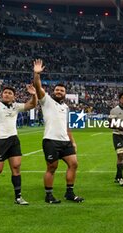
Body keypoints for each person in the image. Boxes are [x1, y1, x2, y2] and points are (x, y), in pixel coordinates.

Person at [0, 72, 38, 205]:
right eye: (5, 92)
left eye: (10, 93)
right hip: (0, 140)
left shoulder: (16, 106)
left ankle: (18, 197)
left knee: (16, 167)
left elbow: (32, 105)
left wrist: (33, 94)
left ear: (14, 96)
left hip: (13, 140)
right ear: (2, 95)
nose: (7, 94)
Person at [33, 59, 84, 204]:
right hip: (51, 140)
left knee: (74, 164)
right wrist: (37, 74)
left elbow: (67, 126)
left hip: (65, 141)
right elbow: (38, 87)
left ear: (65, 93)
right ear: (53, 92)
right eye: (57, 90)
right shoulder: (47, 101)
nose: (59, 92)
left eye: (62, 90)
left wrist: (73, 142)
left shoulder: (66, 107)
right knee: (52, 167)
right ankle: (48, 195)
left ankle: (69, 192)